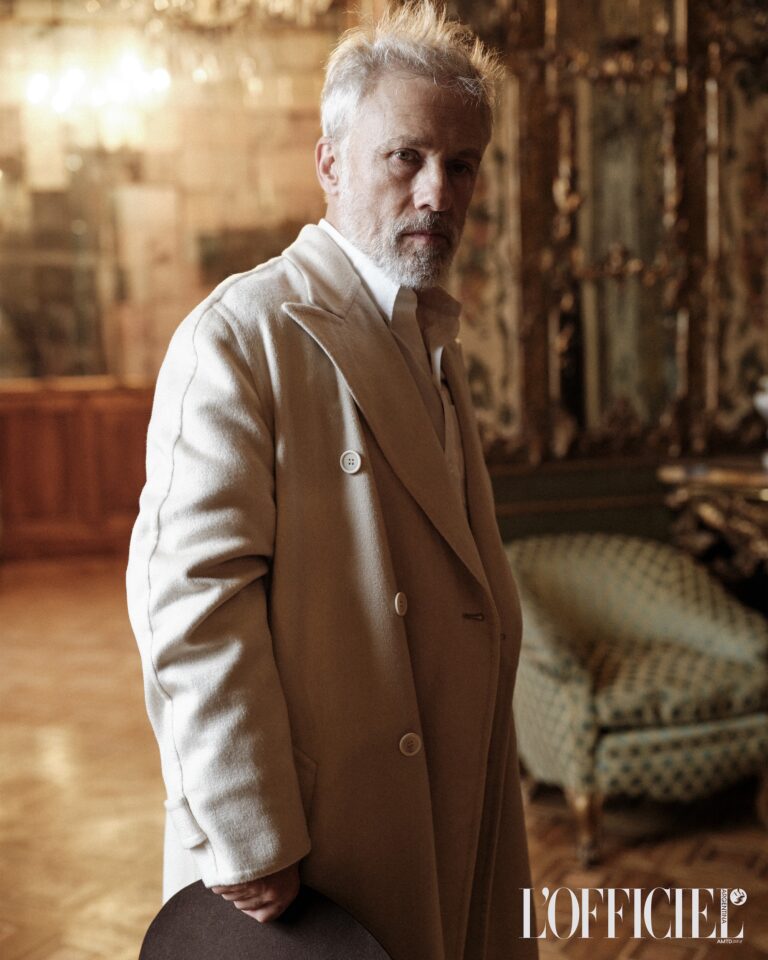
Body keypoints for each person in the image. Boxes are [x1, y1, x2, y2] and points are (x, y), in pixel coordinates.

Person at [127, 4, 538, 959]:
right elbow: (191, 600)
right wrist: (247, 833)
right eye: (406, 157)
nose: (438, 192)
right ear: (331, 163)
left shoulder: (429, 331)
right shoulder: (240, 335)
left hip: (448, 782)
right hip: (315, 839)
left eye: (462, 164)